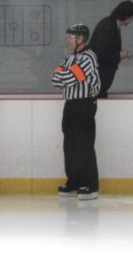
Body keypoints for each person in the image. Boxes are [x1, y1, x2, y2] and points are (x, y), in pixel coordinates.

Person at [52, 24, 101, 200]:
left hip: (84, 105)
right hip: (71, 105)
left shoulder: (88, 57)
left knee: (84, 145)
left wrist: (63, 74)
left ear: (80, 39)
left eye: (71, 37)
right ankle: (74, 180)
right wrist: (63, 75)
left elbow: (68, 78)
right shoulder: (71, 57)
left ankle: (90, 185)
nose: (68, 40)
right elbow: (55, 79)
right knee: (70, 145)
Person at [90, 0, 133, 98]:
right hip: (98, 79)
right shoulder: (108, 27)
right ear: (126, 16)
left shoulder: (113, 25)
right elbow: (99, 53)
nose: (132, 20)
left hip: (100, 81)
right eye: (132, 17)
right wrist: (120, 55)